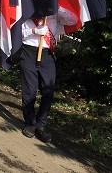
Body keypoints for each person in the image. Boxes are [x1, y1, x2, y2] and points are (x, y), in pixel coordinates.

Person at [20, 7, 78, 142]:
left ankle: (41, 125)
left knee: (48, 91)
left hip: (47, 55)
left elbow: (73, 19)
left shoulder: (55, 10)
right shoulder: (28, 7)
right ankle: (30, 123)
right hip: (29, 52)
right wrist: (34, 31)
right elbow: (18, 33)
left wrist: (56, 7)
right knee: (29, 90)